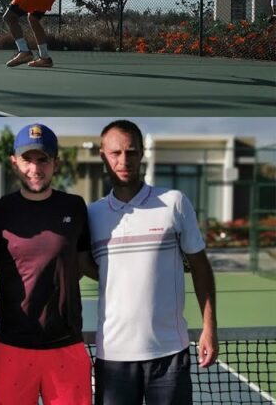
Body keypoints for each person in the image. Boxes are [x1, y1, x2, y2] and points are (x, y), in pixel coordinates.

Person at [88, 120, 217, 405]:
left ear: (142, 153)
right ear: (102, 155)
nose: (124, 161)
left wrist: (209, 328)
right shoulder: (92, 215)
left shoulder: (174, 203)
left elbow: (200, 268)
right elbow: (85, 266)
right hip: (113, 359)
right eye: (116, 153)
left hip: (169, 355)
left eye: (131, 152)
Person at [0, 123, 96, 405]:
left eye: (43, 159)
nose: (35, 168)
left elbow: (83, 265)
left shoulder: (75, 207)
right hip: (13, 347)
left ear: (55, 162)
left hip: (67, 346)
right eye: (27, 159)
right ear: (14, 163)